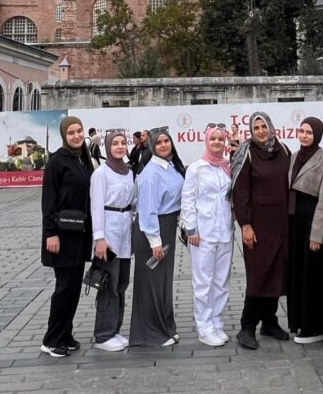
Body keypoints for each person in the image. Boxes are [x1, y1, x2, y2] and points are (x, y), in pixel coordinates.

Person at [231, 111, 292, 349]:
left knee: (277, 273)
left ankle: (269, 321)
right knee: (259, 276)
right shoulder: (245, 153)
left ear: (271, 126)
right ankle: (247, 327)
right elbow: (240, 192)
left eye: (263, 126)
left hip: (281, 225)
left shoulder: (283, 150)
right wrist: (245, 224)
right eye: (256, 128)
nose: (260, 131)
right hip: (257, 228)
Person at [40, 115, 97, 358]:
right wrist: (51, 233)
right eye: (71, 132)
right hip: (61, 236)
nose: (76, 136)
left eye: (79, 131)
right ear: (64, 136)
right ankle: (52, 340)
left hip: (78, 234)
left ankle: (65, 333)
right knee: (64, 288)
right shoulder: (57, 162)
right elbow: (48, 201)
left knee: (73, 288)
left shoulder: (82, 159)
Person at [130, 127, 185, 346]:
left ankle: (165, 326)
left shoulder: (169, 166)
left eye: (166, 141)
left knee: (163, 282)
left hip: (167, 226)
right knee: (151, 283)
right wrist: (155, 242)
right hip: (153, 231)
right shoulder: (152, 174)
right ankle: (149, 333)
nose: (163, 145)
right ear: (152, 145)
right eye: (159, 142)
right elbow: (147, 210)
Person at [181, 125, 234, 346]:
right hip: (202, 234)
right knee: (203, 282)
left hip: (225, 232)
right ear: (206, 141)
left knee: (221, 281)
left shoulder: (227, 167)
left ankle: (216, 321)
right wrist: (191, 229)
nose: (217, 143)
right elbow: (187, 199)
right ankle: (204, 327)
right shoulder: (197, 168)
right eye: (213, 139)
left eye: (220, 139)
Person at [286, 116, 323, 344]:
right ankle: (297, 322)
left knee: (311, 274)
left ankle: (313, 327)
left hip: (311, 220)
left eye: (309, 132)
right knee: (296, 272)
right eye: (302, 131)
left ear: (317, 135)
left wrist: (318, 234)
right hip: (294, 221)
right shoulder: (294, 157)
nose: (304, 135)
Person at [89, 129, 136, 352]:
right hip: (108, 233)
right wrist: (99, 238)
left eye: (122, 143)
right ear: (107, 147)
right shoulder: (101, 174)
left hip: (125, 231)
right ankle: (103, 334)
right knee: (108, 285)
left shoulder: (128, 172)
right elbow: (96, 206)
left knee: (121, 284)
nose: (119, 147)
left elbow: (133, 201)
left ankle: (115, 328)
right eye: (114, 143)